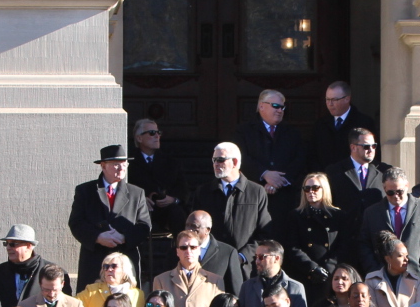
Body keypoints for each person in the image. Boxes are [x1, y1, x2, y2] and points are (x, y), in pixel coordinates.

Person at [69, 143, 152, 289]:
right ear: (103, 166)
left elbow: (144, 225)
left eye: (124, 164)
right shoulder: (85, 191)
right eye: (115, 164)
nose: (121, 168)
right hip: (94, 259)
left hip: (124, 258)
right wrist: (98, 237)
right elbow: (76, 222)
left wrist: (124, 237)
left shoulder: (136, 193)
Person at [191, 142, 272, 277]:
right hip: (211, 266)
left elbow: (264, 232)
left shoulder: (256, 192)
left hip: (244, 267)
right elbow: (194, 229)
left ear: (235, 162)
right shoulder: (203, 191)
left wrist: (242, 256)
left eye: (220, 160)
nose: (216, 164)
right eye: (214, 160)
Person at [236, 88, 310, 217]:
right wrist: (264, 174)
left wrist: (280, 181)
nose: (280, 110)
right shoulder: (244, 131)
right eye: (276, 106)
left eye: (282, 107)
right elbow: (240, 158)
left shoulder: (292, 132)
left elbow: (300, 159)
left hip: (285, 198)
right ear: (261, 106)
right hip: (253, 197)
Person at [279, 170, 346, 290]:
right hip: (306, 274)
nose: (311, 192)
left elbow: (343, 245)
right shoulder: (296, 215)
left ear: (324, 189)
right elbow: (292, 246)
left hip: (331, 274)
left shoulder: (337, 215)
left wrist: (329, 267)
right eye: (307, 188)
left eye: (315, 188)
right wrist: (312, 268)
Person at [128, 118, 187, 237]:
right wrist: (139, 199)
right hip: (139, 210)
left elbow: (183, 189)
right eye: (152, 133)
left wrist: (172, 199)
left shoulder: (171, 162)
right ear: (139, 138)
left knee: (178, 213)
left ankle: (180, 250)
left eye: (158, 133)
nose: (157, 136)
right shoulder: (129, 162)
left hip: (165, 211)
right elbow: (123, 188)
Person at [311, 79, 378, 168]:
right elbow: (312, 155)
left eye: (334, 100)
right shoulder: (320, 124)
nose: (330, 104)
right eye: (327, 99)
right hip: (326, 178)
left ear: (347, 99)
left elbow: (372, 153)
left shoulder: (364, 123)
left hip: (353, 178)